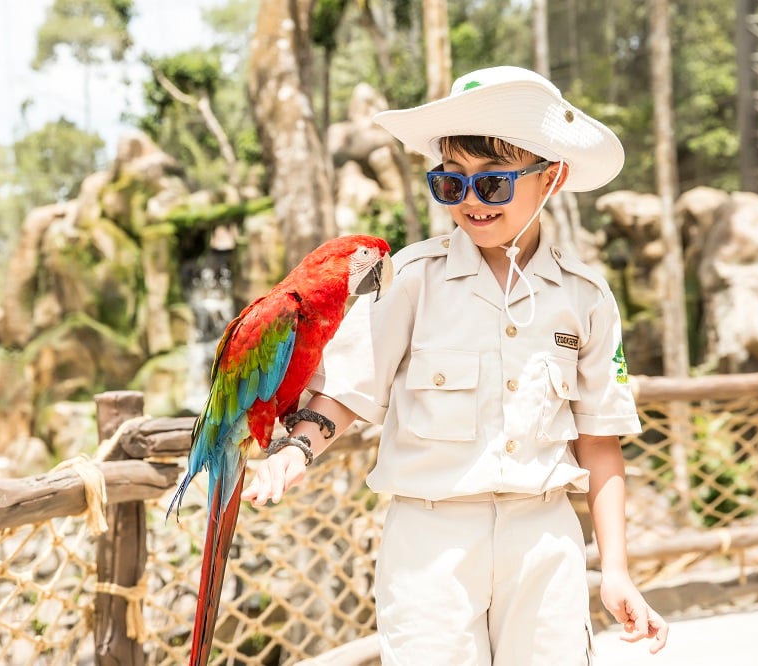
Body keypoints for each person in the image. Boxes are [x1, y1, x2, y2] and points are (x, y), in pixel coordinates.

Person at [241, 65, 669, 665]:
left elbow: (601, 442)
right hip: (430, 545)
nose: (470, 202)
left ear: (553, 177)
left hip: (544, 540)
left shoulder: (586, 297)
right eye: (450, 184)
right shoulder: (409, 279)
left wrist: (617, 572)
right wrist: (296, 450)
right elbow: (346, 390)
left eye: (492, 184)